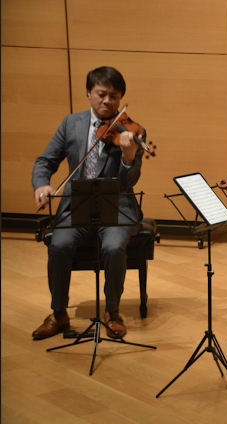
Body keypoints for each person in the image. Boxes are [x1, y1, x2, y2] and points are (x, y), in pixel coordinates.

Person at [32, 66, 144, 340]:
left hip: (116, 206)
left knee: (114, 246)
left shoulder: (129, 130)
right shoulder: (71, 123)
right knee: (58, 245)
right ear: (89, 93)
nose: (108, 101)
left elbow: (129, 182)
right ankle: (58, 312)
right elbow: (44, 162)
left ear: (121, 98)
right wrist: (42, 184)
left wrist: (128, 157)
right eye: (101, 94)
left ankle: (113, 312)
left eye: (114, 96)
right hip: (77, 206)